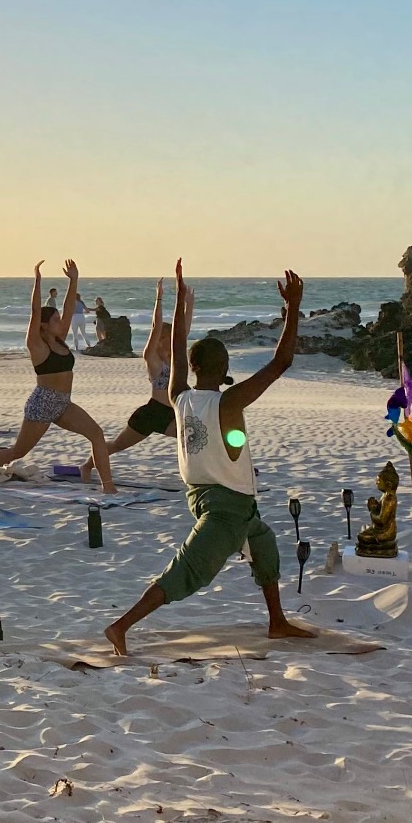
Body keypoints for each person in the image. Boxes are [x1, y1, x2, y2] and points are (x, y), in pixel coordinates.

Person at [104, 263, 317, 654]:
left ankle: (277, 622)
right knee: (189, 571)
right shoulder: (228, 402)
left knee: (265, 547)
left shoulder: (178, 395)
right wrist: (293, 309)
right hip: (225, 508)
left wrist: (182, 304)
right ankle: (120, 627)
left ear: (194, 367)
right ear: (227, 371)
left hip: (208, 499)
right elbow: (280, 363)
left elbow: (179, 355)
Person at [0, 260, 114, 486]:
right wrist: (37, 281)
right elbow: (35, 312)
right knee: (17, 451)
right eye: (55, 320)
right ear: (44, 326)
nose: (61, 322)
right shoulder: (36, 345)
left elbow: (67, 310)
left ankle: (108, 486)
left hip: (64, 403)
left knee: (96, 434)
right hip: (43, 403)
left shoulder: (59, 339)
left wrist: (74, 280)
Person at [79, 280, 176, 487]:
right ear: (159, 339)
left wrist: (185, 298)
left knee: (192, 439)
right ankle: (87, 466)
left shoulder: (173, 358)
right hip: (150, 414)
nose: (171, 340)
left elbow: (183, 328)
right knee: (116, 445)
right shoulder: (153, 359)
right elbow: (156, 326)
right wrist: (159, 298)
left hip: (170, 413)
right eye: (167, 337)